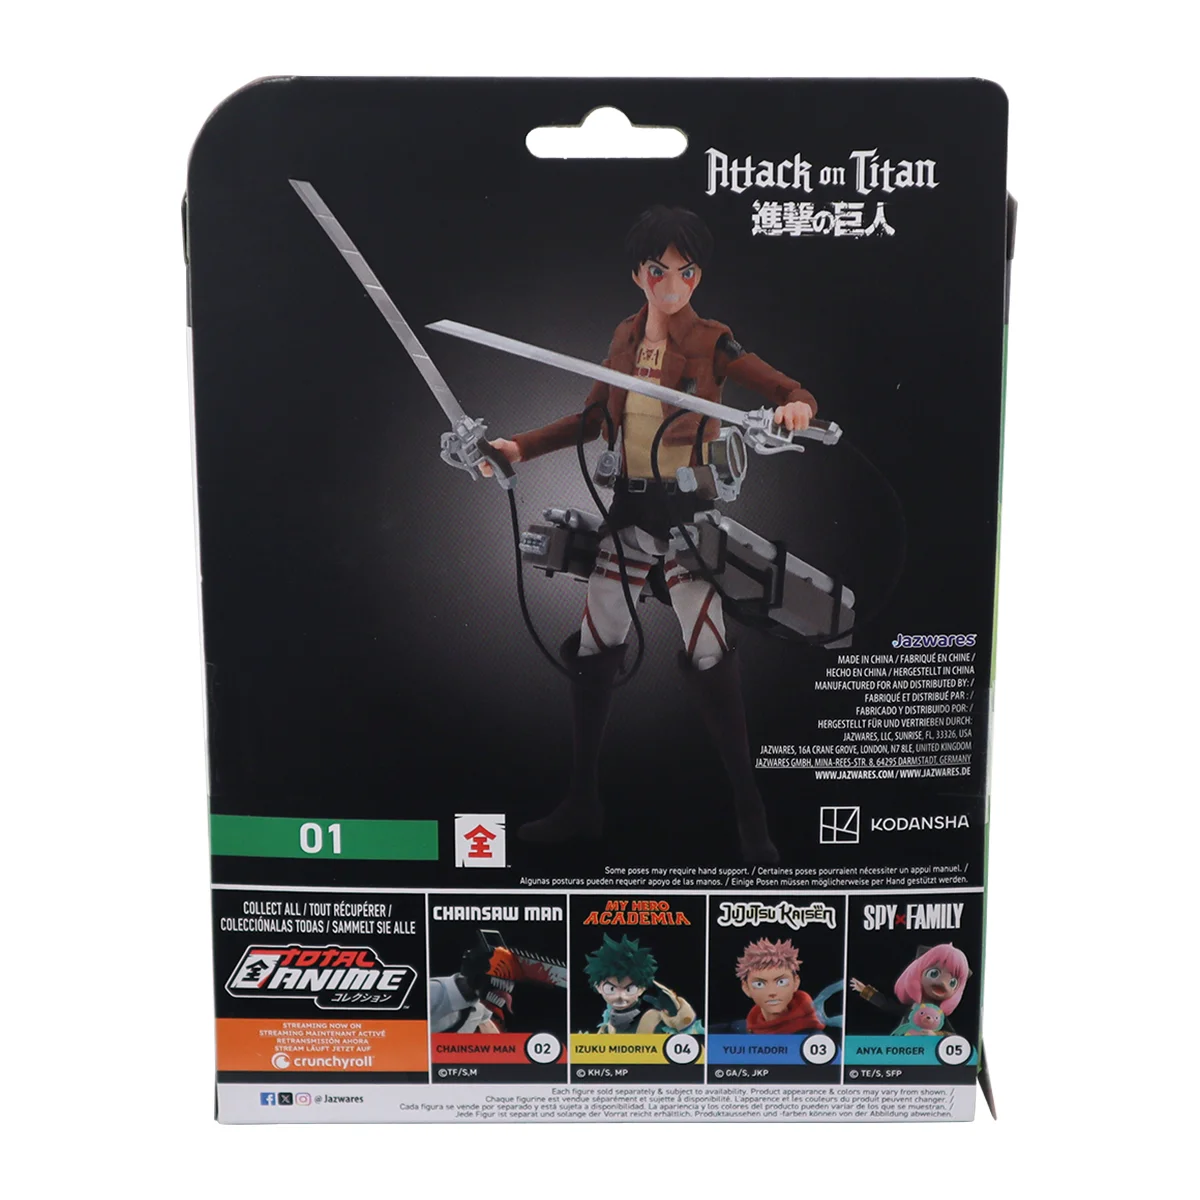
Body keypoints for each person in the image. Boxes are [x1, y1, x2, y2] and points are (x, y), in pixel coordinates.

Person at [482, 205, 818, 863]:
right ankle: (583, 802)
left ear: (698, 277)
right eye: (659, 271)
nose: (673, 284)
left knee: (708, 652)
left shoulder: (714, 340)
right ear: (639, 274)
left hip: (689, 515)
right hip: (629, 512)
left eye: (686, 272)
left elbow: (783, 387)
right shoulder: (624, 340)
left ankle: (751, 817)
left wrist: (796, 407)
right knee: (596, 643)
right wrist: (519, 447)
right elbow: (590, 420)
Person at [583, 933, 702, 1035]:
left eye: (629, 989)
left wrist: (679, 1015)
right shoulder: (607, 1026)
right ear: (598, 987)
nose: (620, 996)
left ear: (642, 989)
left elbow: (695, 1043)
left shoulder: (654, 1019)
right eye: (611, 989)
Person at [849, 943, 971, 1036]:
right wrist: (865, 991)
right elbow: (887, 1005)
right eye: (933, 973)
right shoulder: (912, 1009)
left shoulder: (939, 1015)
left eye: (952, 983)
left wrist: (936, 1035)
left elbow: (952, 1036)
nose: (943, 984)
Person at [736, 937, 826, 1034]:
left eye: (781, 982)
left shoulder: (812, 1034)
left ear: (796, 982)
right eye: (759, 984)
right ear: (746, 988)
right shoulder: (740, 1029)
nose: (772, 992)